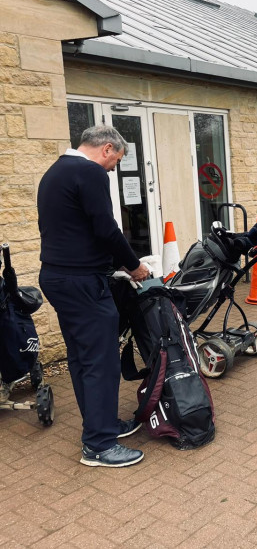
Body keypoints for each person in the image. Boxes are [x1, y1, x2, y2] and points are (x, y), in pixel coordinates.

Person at [37, 125, 150, 467]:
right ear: (106, 149)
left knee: (82, 357)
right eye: (116, 160)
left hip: (57, 277)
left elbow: (79, 228)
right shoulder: (89, 173)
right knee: (101, 362)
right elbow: (106, 229)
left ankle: (102, 425)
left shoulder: (56, 171)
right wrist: (134, 266)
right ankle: (99, 445)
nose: (114, 168)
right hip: (83, 282)